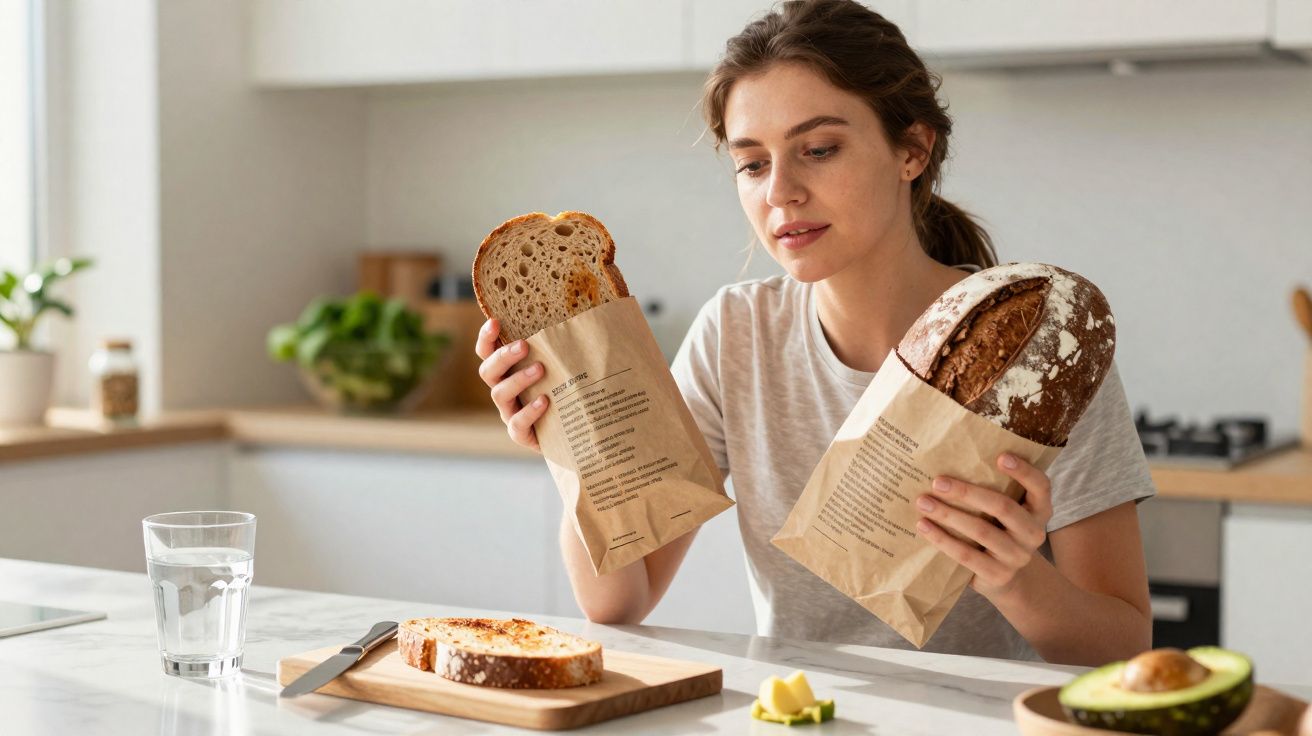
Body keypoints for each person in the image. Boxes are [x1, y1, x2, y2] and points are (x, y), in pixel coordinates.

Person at [475, 0, 1154, 665]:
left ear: (913, 149)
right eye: (752, 163)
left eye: (819, 149)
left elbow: (1123, 647)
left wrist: (1015, 579)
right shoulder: (735, 336)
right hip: (798, 713)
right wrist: (571, 441)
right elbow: (619, 600)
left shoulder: (1045, 351)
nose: (780, 192)